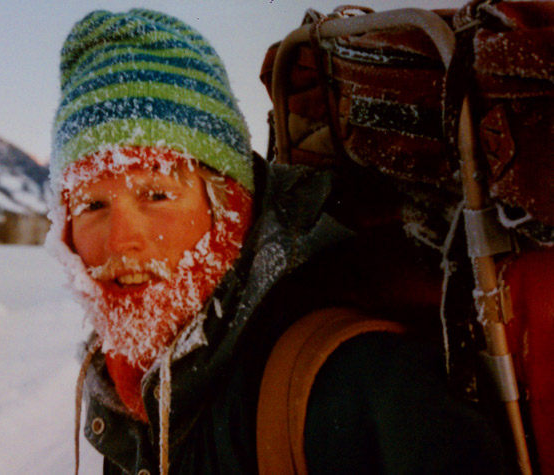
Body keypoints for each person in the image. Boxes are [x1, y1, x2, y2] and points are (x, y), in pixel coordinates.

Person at [47, 9, 506, 475]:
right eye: (91, 206)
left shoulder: (358, 387)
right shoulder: (131, 388)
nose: (121, 241)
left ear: (230, 206)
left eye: (158, 194)